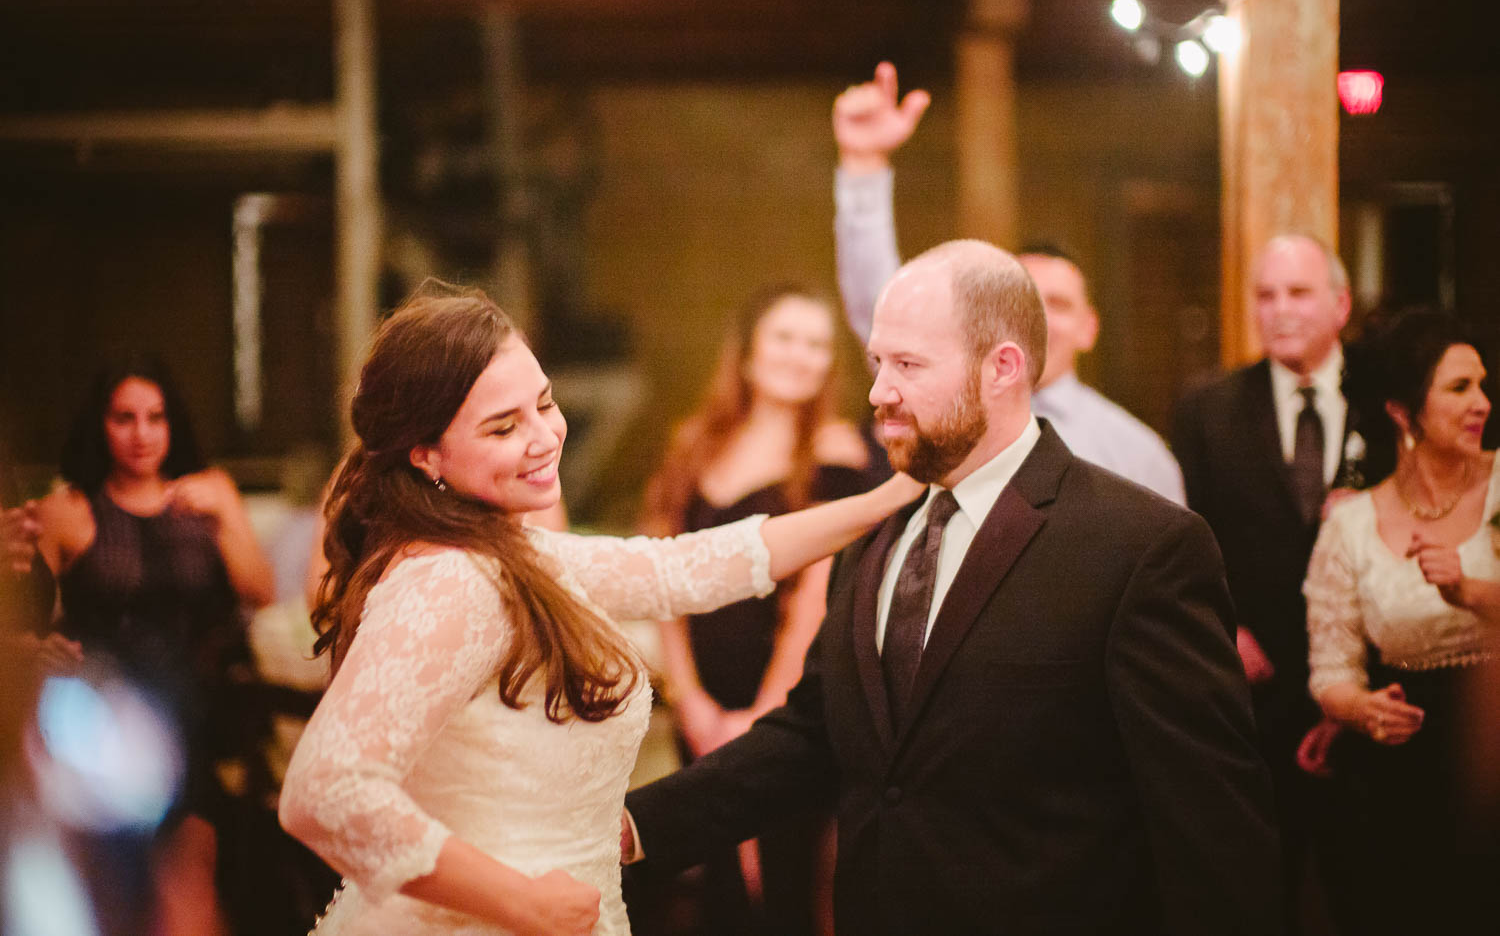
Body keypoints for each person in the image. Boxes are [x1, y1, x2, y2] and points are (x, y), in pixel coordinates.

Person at [624, 240, 1280, 935]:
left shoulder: (1141, 547)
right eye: (879, 363)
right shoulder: (875, 526)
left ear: (1002, 368)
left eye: (908, 365)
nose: (879, 391)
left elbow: (1212, 827)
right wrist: (637, 828)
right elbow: (816, 730)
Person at [276, 284, 920, 936]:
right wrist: (520, 903)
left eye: (545, 404)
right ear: (426, 455)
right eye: (503, 426)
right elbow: (323, 794)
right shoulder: (448, 581)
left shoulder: (513, 552)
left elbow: (687, 566)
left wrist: (890, 497)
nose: (543, 437)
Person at [831, 61, 1185, 504]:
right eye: (1022, 301)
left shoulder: (1138, 455)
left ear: (1089, 327)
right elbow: (877, 301)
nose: (1036, 318)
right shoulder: (934, 402)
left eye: (1056, 304)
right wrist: (863, 166)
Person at [639, 284, 870, 935]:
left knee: (783, 885)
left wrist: (765, 714)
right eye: (786, 338)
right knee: (716, 885)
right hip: (701, 708)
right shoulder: (693, 444)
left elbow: (817, 600)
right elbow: (661, 574)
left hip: (789, 711)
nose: (801, 355)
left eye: (817, 344)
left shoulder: (835, 454)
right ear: (747, 352)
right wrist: (688, 698)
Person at [28, 353, 277, 936]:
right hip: (101, 715)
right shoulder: (69, 510)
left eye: (155, 418)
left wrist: (228, 515)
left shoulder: (207, 494)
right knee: (124, 882)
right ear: (100, 425)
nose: (141, 434)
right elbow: (25, 619)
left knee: (186, 874)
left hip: (197, 712)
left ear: (173, 424)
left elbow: (260, 591)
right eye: (124, 418)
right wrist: (40, 647)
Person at [1171, 233, 1353, 930]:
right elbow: (1185, 540)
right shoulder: (1207, 408)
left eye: (1298, 293)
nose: (1279, 310)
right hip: (1254, 691)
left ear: (1339, 303)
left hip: (1370, 696)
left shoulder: (1386, 401)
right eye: (1265, 295)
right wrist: (1227, 631)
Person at [1301, 307, 1500, 934]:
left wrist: (1467, 589)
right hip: (1399, 776)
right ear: (1400, 410)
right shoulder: (1351, 524)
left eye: (1483, 385)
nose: (1482, 403)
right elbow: (1331, 664)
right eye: (1459, 388)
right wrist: (1359, 710)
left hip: (1489, 745)